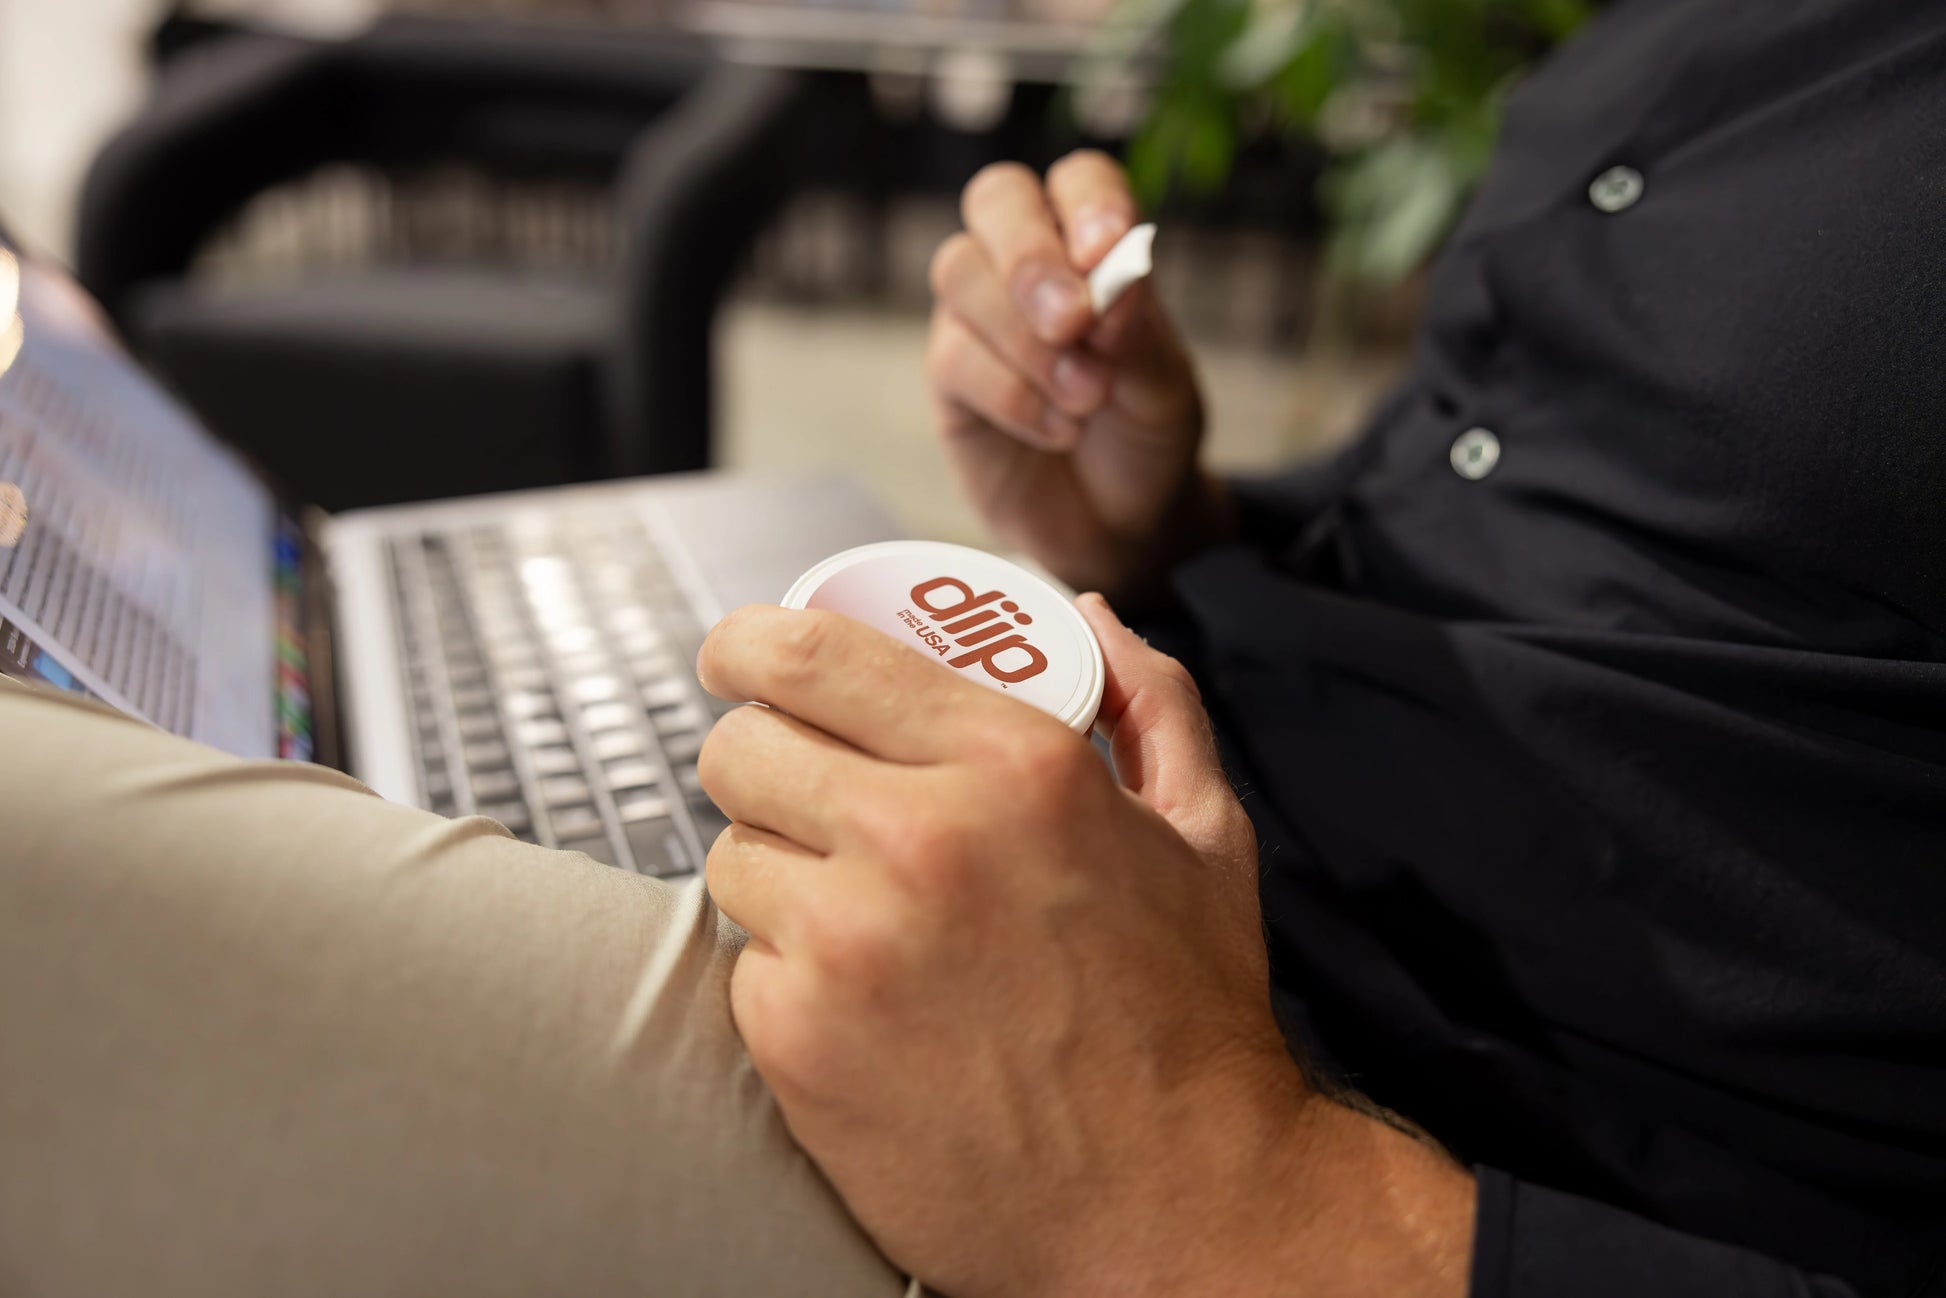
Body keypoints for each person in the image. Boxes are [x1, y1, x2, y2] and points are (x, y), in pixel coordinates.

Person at [3, 0, 1943, 1294]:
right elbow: (1602, 559)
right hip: (1124, 883)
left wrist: (1236, 1191)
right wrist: (1161, 522)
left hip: (1273, 1141)